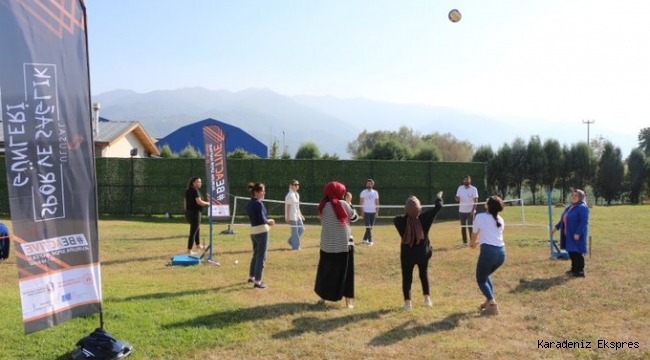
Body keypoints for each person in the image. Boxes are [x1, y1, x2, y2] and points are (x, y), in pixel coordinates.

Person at [393, 191, 444, 310]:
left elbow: (398, 218)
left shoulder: (399, 221)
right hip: (422, 254)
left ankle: (408, 303)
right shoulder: (425, 218)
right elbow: (438, 206)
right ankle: (427, 299)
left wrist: (407, 213)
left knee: (407, 278)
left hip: (407, 255)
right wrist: (438, 197)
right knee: (424, 274)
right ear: (419, 208)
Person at [315, 181, 358, 308]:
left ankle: (323, 298)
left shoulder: (322, 206)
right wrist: (349, 203)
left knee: (326, 272)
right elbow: (354, 218)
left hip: (327, 246)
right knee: (346, 274)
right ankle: (348, 303)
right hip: (343, 246)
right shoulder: (343, 204)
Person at [470, 196, 506, 316]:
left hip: (489, 253)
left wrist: (472, 243)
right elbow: (493, 234)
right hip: (501, 253)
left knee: (481, 279)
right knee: (485, 276)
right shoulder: (501, 219)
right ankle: (488, 300)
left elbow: (474, 234)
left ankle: (492, 305)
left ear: (488, 206)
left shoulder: (480, 217)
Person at [551, 189, 589, 278]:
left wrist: (578, 233)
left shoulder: (582, 207)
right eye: (573, 195)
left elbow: (584, 221)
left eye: (576, 195)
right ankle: (574, 269)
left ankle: (580, 271)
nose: (574, 197)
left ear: (581, 197)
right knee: (571, 251)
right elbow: (563, 219)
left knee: (577, 252)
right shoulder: (569, 207)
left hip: (577, 234)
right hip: (568, 233)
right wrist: (556, 228)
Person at [246, 182, 275, 289]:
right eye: (262, 191)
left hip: (253, 232)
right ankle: (258, 282)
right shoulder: (258, 203)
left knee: (255, 255)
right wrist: (270, 221)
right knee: (261, 257)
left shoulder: (249, 203)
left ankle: (251, 277)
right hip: (262, 232)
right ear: (256, 192)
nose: (264, 193)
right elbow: (263, 220)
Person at [184, 177, 210, 255]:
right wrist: (208, 203)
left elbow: (184, 202)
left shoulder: (188, 190)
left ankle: (198, 245)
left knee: (197, 229)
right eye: (198, 182)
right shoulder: (195, 191)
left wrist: (186, 212)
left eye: (200, 182)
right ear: (193, 183)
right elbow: (199, 202)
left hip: (189, 213)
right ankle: (189, 250)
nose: (200, 183)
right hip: (195, 213)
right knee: (193, 232)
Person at [455, 175, 479, 246]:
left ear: (470, 181)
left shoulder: (474, 189)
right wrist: (457, 199)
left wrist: (473, 210)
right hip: (461, 211)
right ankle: (464, 242)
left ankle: (472, 241)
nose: (466, 181)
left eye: (467, 180)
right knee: (463, 227)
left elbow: (476, 200)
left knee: (470, 226)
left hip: (470, 212)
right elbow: (457, 197)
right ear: (463, 181)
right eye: (465, 180)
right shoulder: (460, 188)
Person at [285, 180, 305, 250]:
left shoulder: (297, 194)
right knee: (295, 232)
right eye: (295, 184)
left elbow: (297, 206)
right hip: (292, 216)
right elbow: (288, 206)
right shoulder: (290, 195)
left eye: (298, 184)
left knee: (302, 229)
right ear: (291, 185)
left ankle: (291, 241)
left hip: (297, 215)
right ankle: (296, 247)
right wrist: (287, 217)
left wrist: (301, 215)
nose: (297, 186)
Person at [359, 179, 379, 246]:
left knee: (370, 227)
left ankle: (365, 240)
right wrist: (362, 211)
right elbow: (361, 202)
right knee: (368, 226)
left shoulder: (375, 193)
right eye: (368, 183)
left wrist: (377, 211)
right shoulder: (363, 192)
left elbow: (377, 202)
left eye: (370, 183)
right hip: (366, 212)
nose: (369, 184)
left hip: (373, 212)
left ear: (372, 185)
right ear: (366, 184)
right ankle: (371, 241)